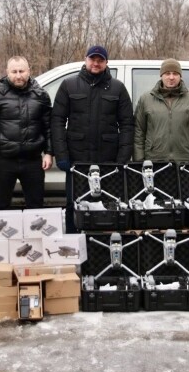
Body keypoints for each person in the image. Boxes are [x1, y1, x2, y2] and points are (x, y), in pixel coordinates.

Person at [51, 45, 134, 233]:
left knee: (108, 205)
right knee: (74, 205)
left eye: (100, 60)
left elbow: (127, 125)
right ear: (85, 59)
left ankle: (104, 244)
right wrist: (62, 156)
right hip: (77, 162)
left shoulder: (118, 88)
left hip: (108, 162)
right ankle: (73, 244)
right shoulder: (69, 85)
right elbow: (57, 121)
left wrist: (122, 159)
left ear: (106, 63)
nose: (96, 63)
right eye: (92, 59)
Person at [0, 56, 53, 210]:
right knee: (0, 206)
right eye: (14, 72)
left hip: (33, 160)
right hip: (4, 160)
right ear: (7, 72)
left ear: (29, 71)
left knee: (36, 207)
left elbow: (48, 127)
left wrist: (48, 153)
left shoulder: (41, 95)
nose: (18, 76)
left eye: (22, 71)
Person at [133, 58, 189, 162]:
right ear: (161, 75)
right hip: (154, 161)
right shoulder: (146, 99)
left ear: (180, 76)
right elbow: (138, 132)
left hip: (185, 161)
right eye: (167, 73)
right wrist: (139, 161)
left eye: (175, 73)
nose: (171, 77)